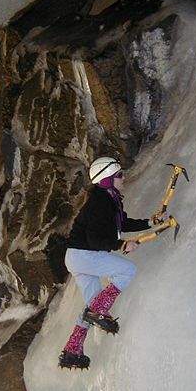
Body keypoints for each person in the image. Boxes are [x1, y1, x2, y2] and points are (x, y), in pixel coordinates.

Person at [58, 156, 166, 369]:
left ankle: (72, 350)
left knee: (93, 302)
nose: (123, 177)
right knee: (127, 270)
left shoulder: (108, 199)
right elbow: (95, 239)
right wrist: (121, 246)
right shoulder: (101, 203)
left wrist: (150, 222)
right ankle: (97, 312)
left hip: (77, 257)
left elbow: (123, 223)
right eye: (119, 175)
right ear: (107, 179)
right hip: (85, 254)